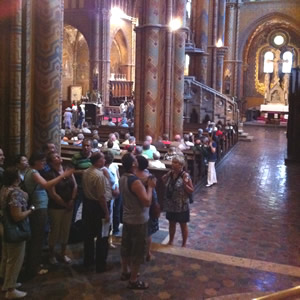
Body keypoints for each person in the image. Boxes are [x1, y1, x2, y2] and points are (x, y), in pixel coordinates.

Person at [24, 152, 74, 278]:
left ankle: (35, 264)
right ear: (35, 161)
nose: (44, 164)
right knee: (38, 238)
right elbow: (47, 185)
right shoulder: (34, 173)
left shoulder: (33, 172)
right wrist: (63, 175)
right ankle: (33, 267)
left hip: (42, 206)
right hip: (40, 207)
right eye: (42, 161)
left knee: (40, 237)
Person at [119, 153, 156, 290]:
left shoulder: (123, 177)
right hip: (138, 219)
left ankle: (125, 272)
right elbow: (146, 201)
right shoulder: (135, 181)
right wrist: (150, 187)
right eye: (135, 160)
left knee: (126, 246)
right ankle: (133, 280)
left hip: (127, 217)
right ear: (133, 165)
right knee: (138, 250)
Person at [0, 167, 33, 299]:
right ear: (16, 178)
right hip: (15, 229)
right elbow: (17, 216)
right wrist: (31, 210)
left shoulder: (3, 189)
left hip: (4, 227)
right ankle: (11, 289)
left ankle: (5, 283)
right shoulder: (15, 193)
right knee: (15, 259)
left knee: (7, 257)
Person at [45, 152, 77, 265]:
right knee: (55, 230)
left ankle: (63, 253)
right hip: (56, 207)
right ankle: (51, 254)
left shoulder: (66, 169)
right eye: (56, 157)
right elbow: (53, 193)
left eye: (59, 156)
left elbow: (75, 185)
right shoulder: (50, 174)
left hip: (69, 204)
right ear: (51, 161)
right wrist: (64, 204)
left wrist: (72, 200)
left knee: (65, 230)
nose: (59, 158)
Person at [82, 152, 111, 273]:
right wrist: (107, 212)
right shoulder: (99, 175)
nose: (104, 160)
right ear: (99, 161)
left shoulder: (86, 171)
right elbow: (102, 197)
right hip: (99, 208)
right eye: (103, 159)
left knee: (88, 234)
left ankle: (88, 260)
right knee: (102, 236)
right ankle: (101, 264)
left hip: (88, 205)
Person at [162, 155, 194, 247]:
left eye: (176, 163)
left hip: (181, 205)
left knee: (182, 225)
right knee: (171, 223)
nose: (173, 164)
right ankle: (171, 241)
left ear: (181, 165)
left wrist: (185, 185)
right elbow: (164, 181)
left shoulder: (185, 175)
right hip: (171, 204)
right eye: (173, 162)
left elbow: (191, 190)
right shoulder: (170, 173)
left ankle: (184, 244)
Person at [135, 156, 159, 262]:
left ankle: (136, 252)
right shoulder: (149, 177)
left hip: (134, 206)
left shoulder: (132, 176)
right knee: (148, 231)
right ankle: (147, 253)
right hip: (147, 206)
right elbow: (153, 196)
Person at [71, 138, 92, 221]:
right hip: (79, 186)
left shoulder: (94, 156)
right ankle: (71, 226)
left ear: (91, 147)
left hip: (90, 187)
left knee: (87, 209)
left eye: (88, 146)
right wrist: (80, 172)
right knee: (75, 207)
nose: (86, 147)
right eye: (84, 145)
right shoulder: (76, 157)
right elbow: (70, 171)